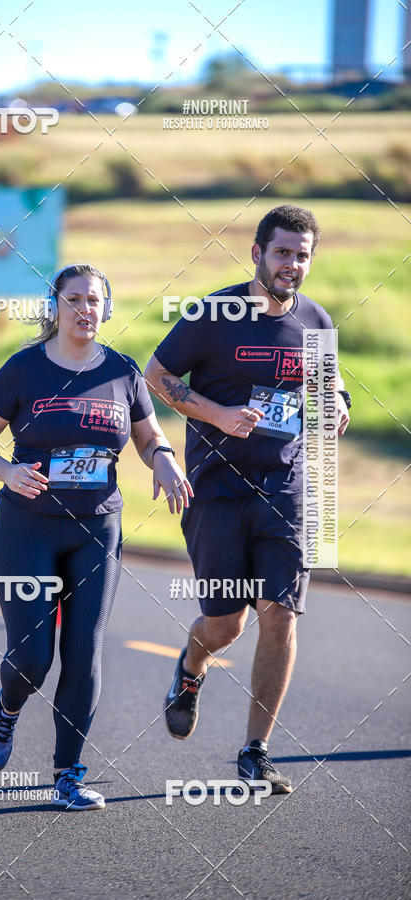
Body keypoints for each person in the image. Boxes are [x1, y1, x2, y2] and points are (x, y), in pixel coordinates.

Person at [0, 263, 192, 811]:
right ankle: (8, 709)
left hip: (97, 528)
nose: (85, 309)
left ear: (106, 308)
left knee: (84, 651)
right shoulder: (23, 369)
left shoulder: (122, 371)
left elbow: (149, 434)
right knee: (33, 657)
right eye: (75, 299)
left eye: (95, 300)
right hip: (27, 526)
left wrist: (162, 460)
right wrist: (5, 470)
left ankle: (68, 774)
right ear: (56, 306)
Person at [144, 205, 351, 793]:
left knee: (280, 615)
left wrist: (336, 401)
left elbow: (328, 382)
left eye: (302, 254)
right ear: (256, 252)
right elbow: (156, 377)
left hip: (285, 490)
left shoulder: (315, 319)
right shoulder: (213, 313)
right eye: (282, 252)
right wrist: (218, 415)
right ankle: (190, 669)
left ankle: (255, 750)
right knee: (225, 622)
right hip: (217, 490)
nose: (292, 264)